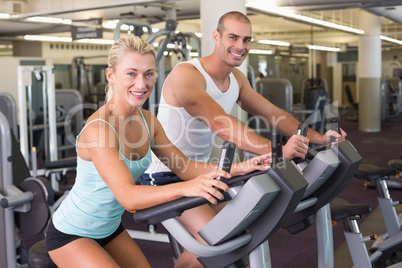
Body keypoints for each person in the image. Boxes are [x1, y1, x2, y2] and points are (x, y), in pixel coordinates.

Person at [45, 36, 270, 268]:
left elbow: (185, 167)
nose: (141, 84)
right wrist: (187, 187)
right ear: (111, 75)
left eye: (148, 74)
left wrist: (240, 168)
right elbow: (128, 197)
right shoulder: (100, 130)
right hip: (71, 234)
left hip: (109, 228)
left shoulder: (148, 121)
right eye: (131, 73)